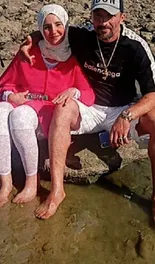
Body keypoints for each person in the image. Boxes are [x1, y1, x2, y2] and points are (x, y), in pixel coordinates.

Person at [20, 0, 155, 221]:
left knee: (153, 117)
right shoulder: (83, 33)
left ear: (122, 17)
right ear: (91, 17)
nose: (103, 23)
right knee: (63, 107)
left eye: (109, 16)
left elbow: (153, 95)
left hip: (123, 107)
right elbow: (53, 30)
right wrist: (30, 40)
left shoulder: (135, 46)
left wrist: (126, 116)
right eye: (98, 16)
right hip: (90, 106)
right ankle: (56, 191)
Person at [0, 4, 95, 208]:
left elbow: (89, 94)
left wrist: (74, 92)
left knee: (20, 115)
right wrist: (10, 96)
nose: (53, 32)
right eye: (47, 27)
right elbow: (4, 83)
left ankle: (31, 183)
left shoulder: (74, 55)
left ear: (66, 25)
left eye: (58, 25)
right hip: (25, 103)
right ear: (40, 29)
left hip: (46, 117)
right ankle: (5, 182)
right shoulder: (29, 52)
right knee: (1, 111)